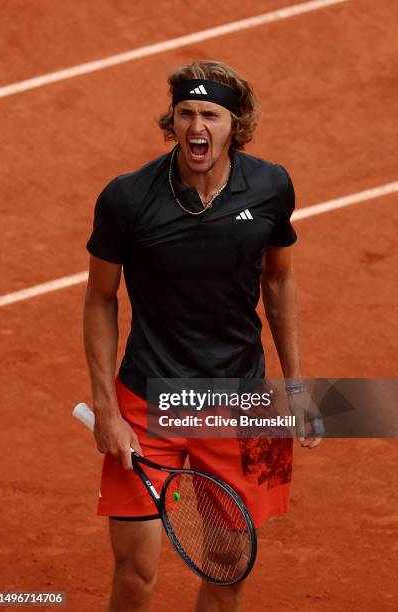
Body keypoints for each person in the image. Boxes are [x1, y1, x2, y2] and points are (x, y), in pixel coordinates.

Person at [84, 60, 322, 612]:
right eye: (186, 113)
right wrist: (106, 409)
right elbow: (99, 298)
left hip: (241, 402)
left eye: (210, 114)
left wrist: (296, 385)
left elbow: (280, 280)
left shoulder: (271, 186)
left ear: (233, 125)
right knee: (136, 575)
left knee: (227, 569)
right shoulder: (126, 197)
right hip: (148, 401)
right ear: (173, 122)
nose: (197, 126)